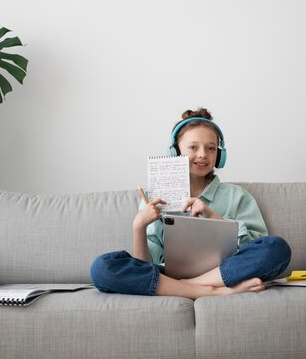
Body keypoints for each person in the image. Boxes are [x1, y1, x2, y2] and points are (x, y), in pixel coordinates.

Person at [90, 108, 291, 299]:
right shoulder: (154, 197)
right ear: (175, 151)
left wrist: (214, 218)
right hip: (166, 275)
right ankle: (209, 292)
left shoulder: (238, 196)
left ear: (219, 155)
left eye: (211, 148)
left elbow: (255, 249)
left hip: (222, 272)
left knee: (277, 248)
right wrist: (138, 227)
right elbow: (144, 265)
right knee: (102, 267)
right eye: (193, 147)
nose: (203, 154)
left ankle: (191, 286)